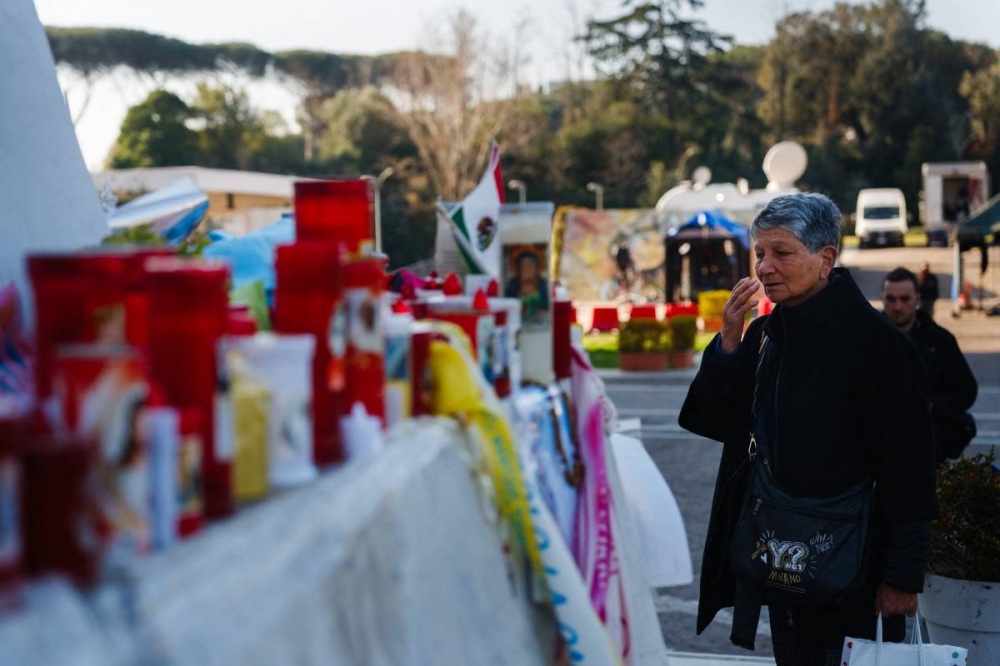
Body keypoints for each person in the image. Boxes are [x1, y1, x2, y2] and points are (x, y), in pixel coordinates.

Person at [679, 193, 936, 665]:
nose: (764, 267)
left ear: (826, 259)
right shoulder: (766, 335)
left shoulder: (878, 345)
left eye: (781, 252)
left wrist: (901, 578)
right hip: (784, 561)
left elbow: (911, 468)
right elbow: (710, 421)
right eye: (759, 253)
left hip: (855, 567)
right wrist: (729, 348)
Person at [882, 267, 978, 463]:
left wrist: (933, 405)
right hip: (878, 453)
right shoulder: (866, 338)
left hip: (929, 451)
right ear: (882, 299)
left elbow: (966, 390)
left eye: (905, 299)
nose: (898, 306)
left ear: (917, 299)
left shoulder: (940, 340)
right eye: (891, 299)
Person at [505, 250, 549, 323]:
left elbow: (546, 305)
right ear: (519, 269)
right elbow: (508, 302)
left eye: (530, 267)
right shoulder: (513, 283)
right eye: (524, 267)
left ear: (535, 268)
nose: (527, 270)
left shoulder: (542, 283)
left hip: (539, 321)